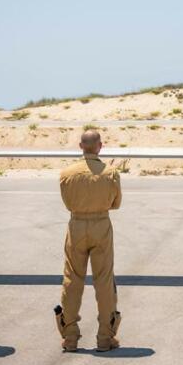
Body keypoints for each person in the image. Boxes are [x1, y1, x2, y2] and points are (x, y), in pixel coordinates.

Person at [55, 130, 122, 352]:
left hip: (76, 224)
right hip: (101, 224)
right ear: (100, 147)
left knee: (72, 279)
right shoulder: (110, 173)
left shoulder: (67, 173)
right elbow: (116, 202)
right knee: (104, 280)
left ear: (81, 146)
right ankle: (105, 337)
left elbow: (66, 203)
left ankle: (70, 336)